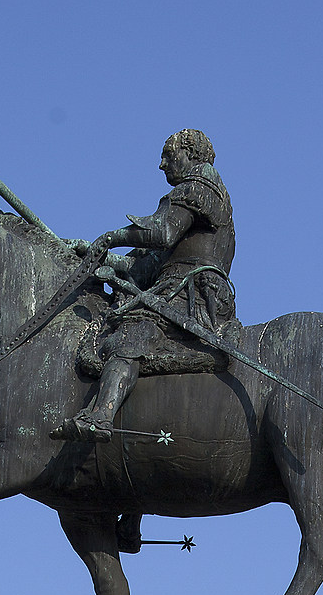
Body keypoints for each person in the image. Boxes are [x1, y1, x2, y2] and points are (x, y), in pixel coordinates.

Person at [71, 129, 238, 440]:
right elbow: (142, 265)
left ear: (191, 154)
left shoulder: (200, 186)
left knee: (133, 334)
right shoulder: (193, 198)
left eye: (168, 155)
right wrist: (94, 254)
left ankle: (101, 416)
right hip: (177, 286)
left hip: (193, 294)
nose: (162, 164)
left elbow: (162, 234)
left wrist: (111, 237)